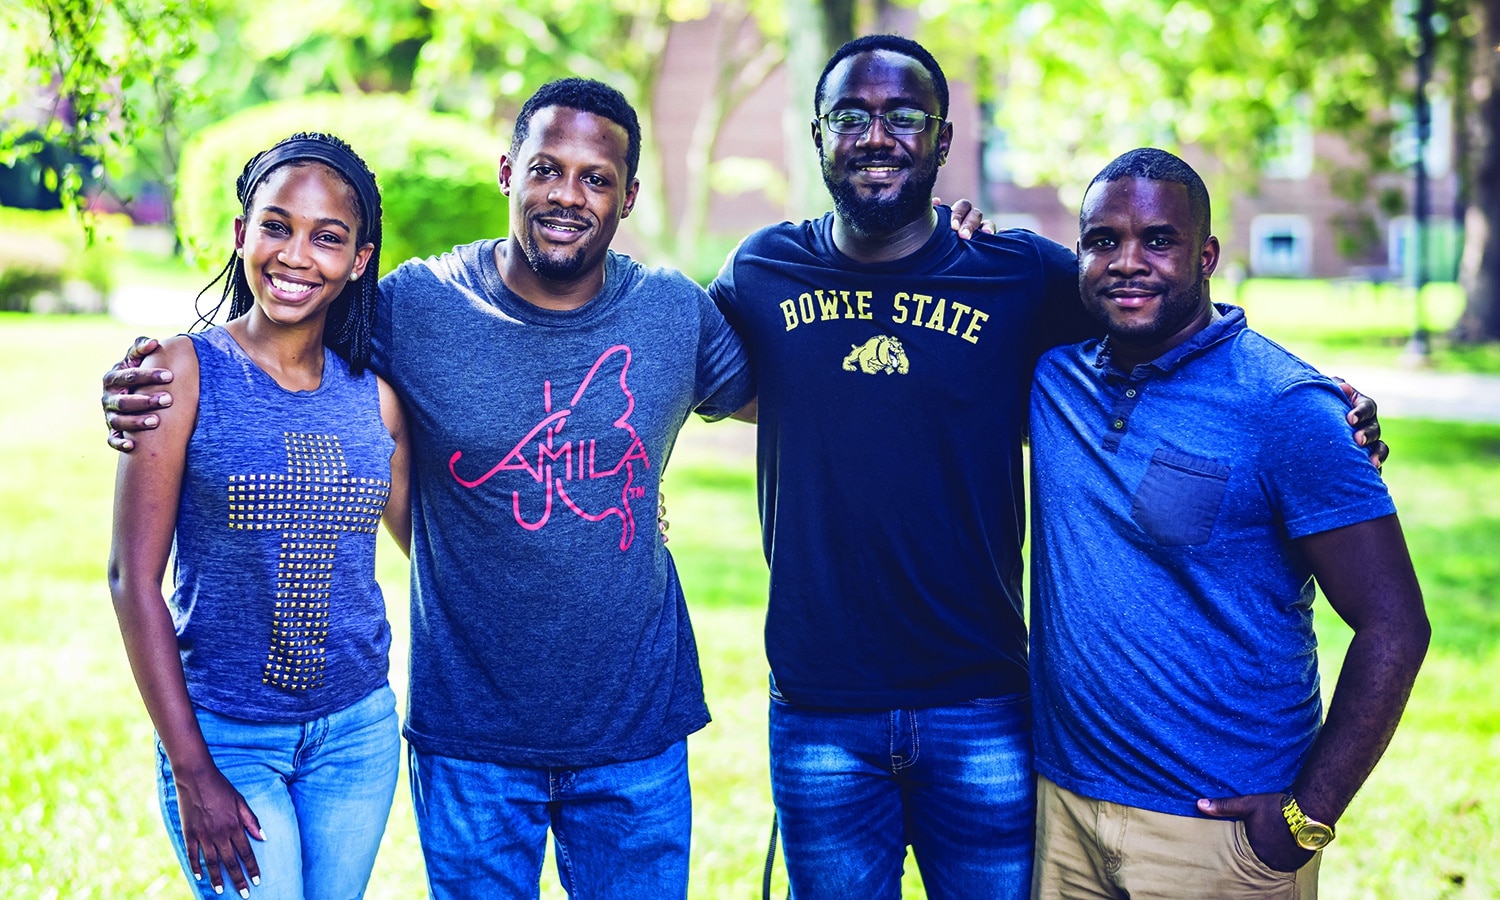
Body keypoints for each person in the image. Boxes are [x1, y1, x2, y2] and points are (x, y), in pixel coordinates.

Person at [709, 35, 1386, 900]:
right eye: (851, 116)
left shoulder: (1018, 274)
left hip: (984, 701)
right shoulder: (762, 268)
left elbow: (1172, 317)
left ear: (944, 141)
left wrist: (1326, 401)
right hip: (819, 707)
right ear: (817, 134)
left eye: (905, 116)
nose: (877, 135)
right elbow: (692, 371)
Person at [104, 78, 762, 899]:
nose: (567, 193)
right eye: (546, 168)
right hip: (468, 738)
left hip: (634, 735)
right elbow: (284, 329)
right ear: (506, 172)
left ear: (629, 196)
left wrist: (947, 260)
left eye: (596, 177)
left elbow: (804, 399)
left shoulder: (673, 313)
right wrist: (149, 377)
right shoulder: (415, 306)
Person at [1027, 148, 1429, 898]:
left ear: (1206, 254)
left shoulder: (1286, 408)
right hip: (1064, 814)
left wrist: (1307, 818)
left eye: (1159, 240)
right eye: (1103, 241)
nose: (1127, 261)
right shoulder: (1056, 380)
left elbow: (1395, 626)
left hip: (1218, 836)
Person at [106, 132, 411, 900]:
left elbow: (438, 543)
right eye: (276, 226)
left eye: (327, 238)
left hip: (357, 733)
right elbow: (130, 579)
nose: (297, 256)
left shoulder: (375, 398)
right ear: (242, 232)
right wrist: (192, 768)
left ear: (359, 260)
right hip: (227, 737)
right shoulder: (178, 372)